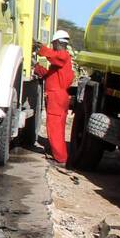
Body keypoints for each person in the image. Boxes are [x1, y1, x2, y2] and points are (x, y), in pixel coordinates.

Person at [34, 29, 74, 164]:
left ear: (57, 42)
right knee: (58, 126)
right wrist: (36, 66)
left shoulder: (63, 56)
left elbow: (56, 57)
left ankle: (60, 157)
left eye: (53, 44)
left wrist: (42, 49)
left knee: (55, 127)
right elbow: (49, 75)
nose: (53, 47)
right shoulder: (60, 61)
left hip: (57, 97)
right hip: (59, 96)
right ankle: (59, 154)